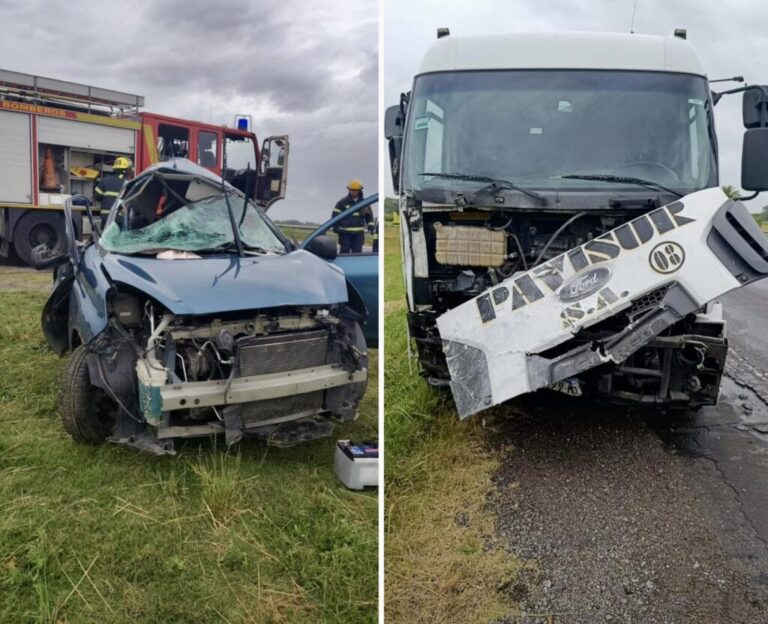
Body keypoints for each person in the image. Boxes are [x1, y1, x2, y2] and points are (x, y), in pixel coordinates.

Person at [333, 179, 372, 254]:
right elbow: (335, 215)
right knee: (344, 253)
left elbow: (369, 216)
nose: (353, 191)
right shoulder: (342, 202)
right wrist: (335, 226)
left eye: (355, 190)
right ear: (349, 190)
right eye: (351, 190)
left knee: (357, 254)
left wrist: (371, 226)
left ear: (359, 190)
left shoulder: (364, 203)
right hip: (345, 233)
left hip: (358, 234)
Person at [95, 156, 133, 226]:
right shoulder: (128, 183)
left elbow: (96, 197)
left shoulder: (105, 180)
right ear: (126, 170)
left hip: (106, 218)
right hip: (120, 219)